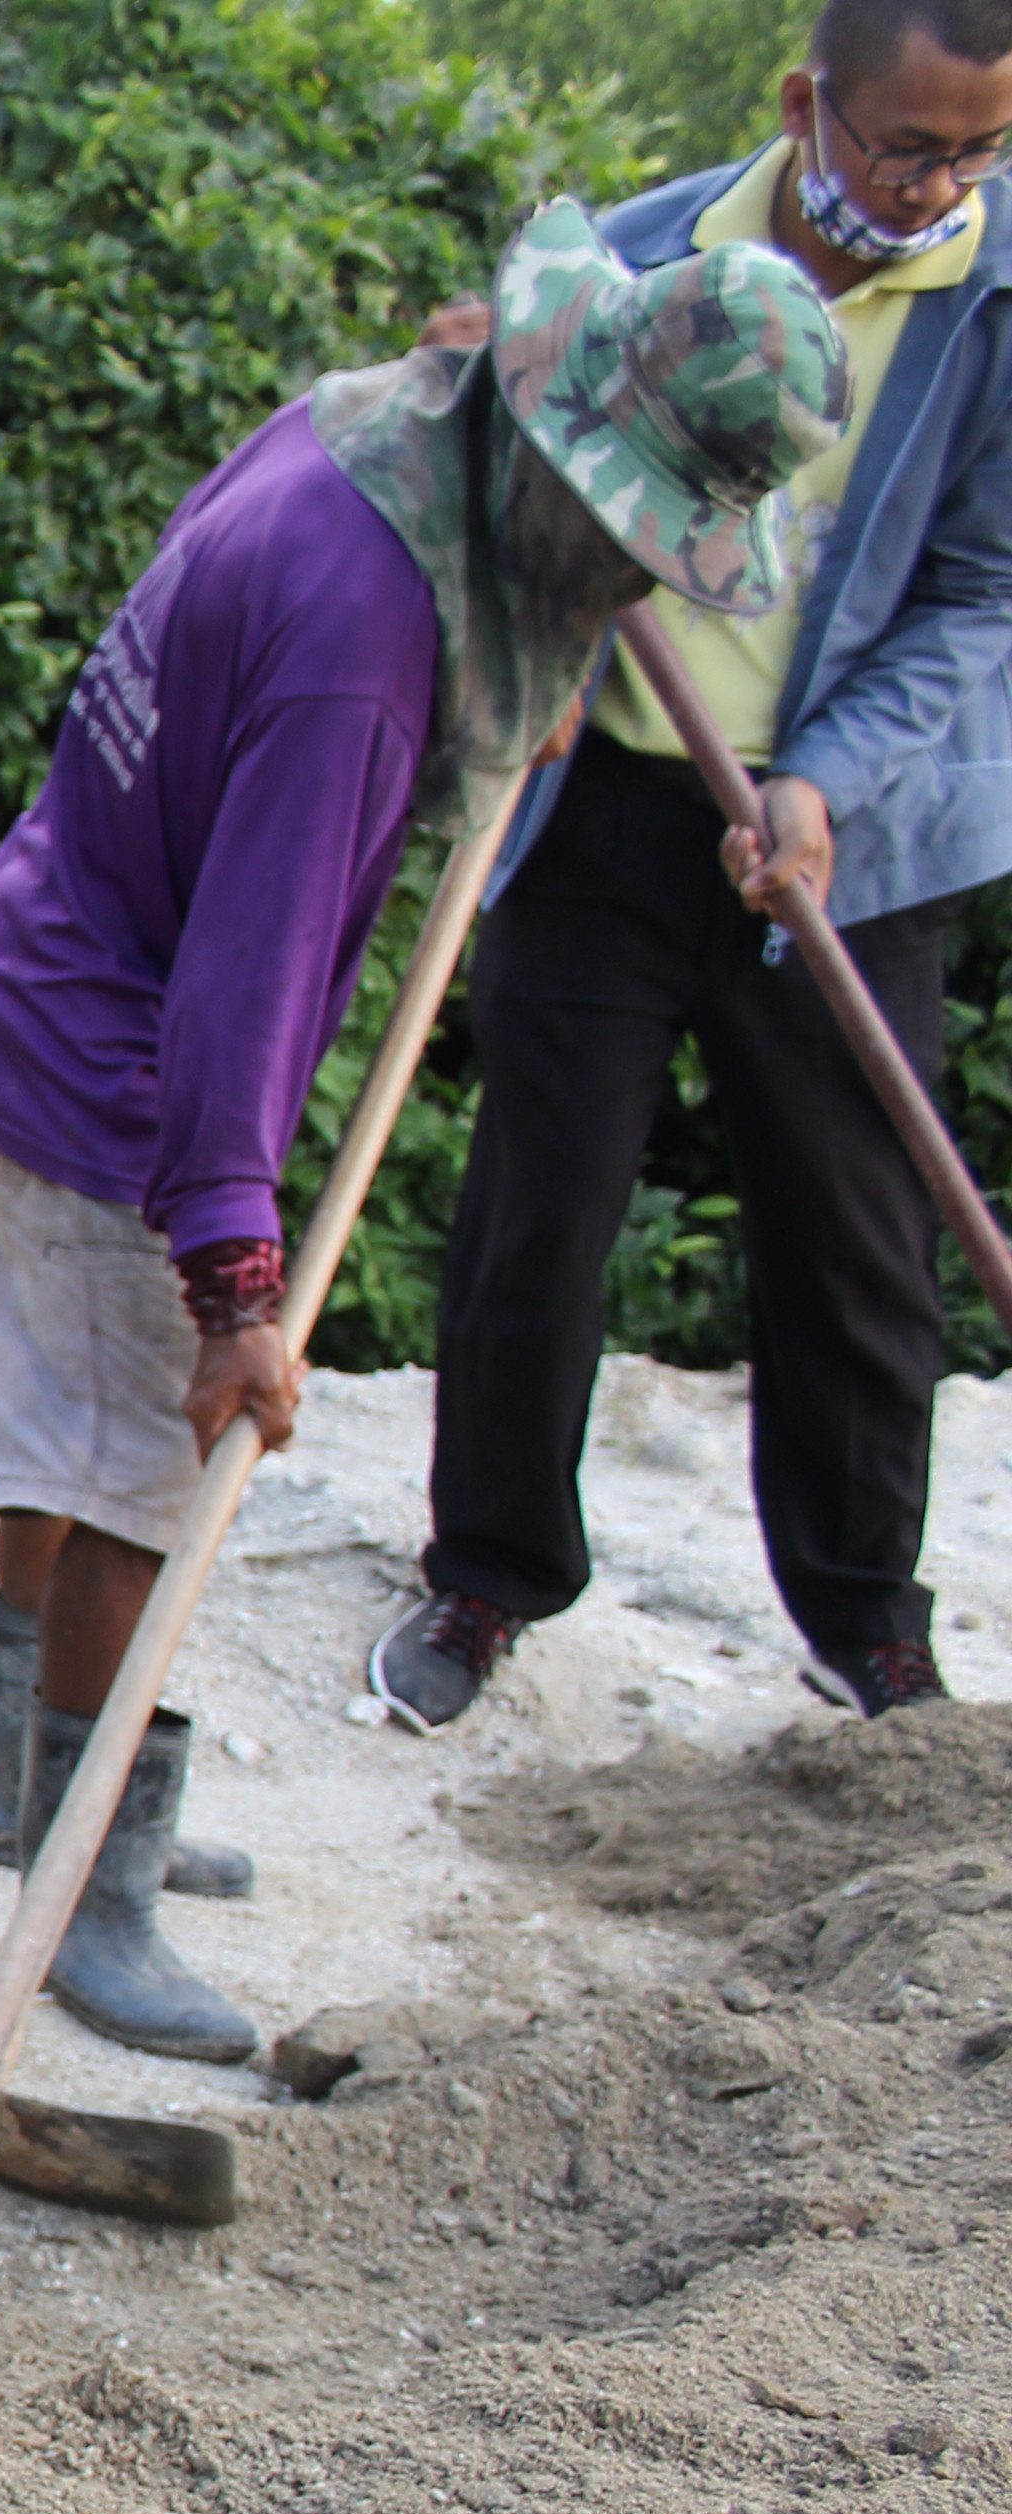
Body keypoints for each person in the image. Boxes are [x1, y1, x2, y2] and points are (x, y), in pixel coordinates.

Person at [0, 213, 848, 2065]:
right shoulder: (355, 647)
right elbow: (240, 999)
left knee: (57, 1442)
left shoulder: (375, 422)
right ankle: (79, 1907)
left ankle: (34, 1798)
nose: (625, 579)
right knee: (135, 1490)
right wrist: (232, 1289)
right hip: (113, 1072)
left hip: (17, 976)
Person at [374, 0, 1012, 1734]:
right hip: (606, 809)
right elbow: (515, 474)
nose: (939, 183)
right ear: (807, 103)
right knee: (538, 1204)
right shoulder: (639, 254)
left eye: (976, 149)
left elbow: (981, 592)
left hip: (839, 833)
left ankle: (863, 1614)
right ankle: (484, 1575)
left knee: (855, 1237)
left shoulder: (995, 299)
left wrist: (822, 781)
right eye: (903, 145)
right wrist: (480, 395)